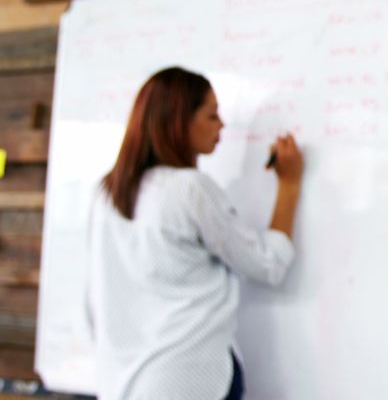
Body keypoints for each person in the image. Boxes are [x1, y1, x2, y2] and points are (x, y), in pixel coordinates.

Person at [86, 66, 304, 399]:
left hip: (122, 383)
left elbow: (93, 299)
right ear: (179, 121)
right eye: (212, 115)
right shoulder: (188, 190)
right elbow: (268, 264)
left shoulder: (105, 194)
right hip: (188, 380)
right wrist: (290, 185)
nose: (222, 125)